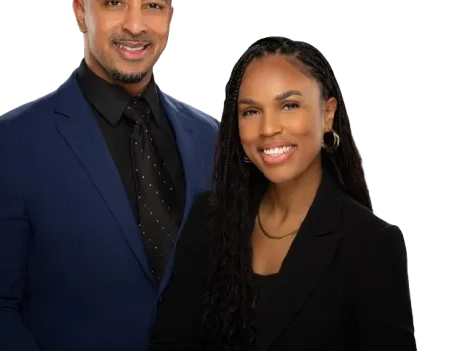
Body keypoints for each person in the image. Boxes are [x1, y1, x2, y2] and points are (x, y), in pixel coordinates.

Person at [0, 0, 218, 351]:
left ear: (170, 15)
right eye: (114, 3)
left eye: (152, 5)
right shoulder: (11, 145)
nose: (135, 25)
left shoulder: (209, 138)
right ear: (81, 12)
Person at [149, 36, 416, 350]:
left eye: (289, 106)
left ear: (328, 114)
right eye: (251, 111)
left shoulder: (372, 245)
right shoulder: (209, 218)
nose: (268, 129)